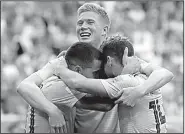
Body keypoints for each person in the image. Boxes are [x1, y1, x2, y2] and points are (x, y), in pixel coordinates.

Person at [17, 3, 173, 133]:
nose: (83, 26)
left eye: (90, 22)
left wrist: (139, 91)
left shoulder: (118, 57)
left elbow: (163, 73)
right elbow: (25, 86)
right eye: (80, 23)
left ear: (104, 30)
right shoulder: (65, 60)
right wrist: (51, 110)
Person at [52, 35, 173, 133]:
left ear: (109, 60)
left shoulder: (124, 82)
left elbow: (77, 83)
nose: (101, 72)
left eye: (102, 66)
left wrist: (60, 67)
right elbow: (166, 73)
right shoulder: (144, 72)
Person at [18, 42, 117, 133]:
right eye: (96, 73)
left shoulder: (60, 76)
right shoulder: (61, 86)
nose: (98, 76)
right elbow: (105, 105)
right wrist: (125, 80)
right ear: (78, 70)